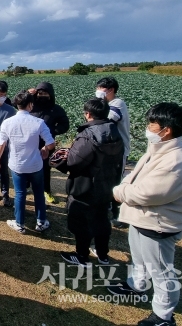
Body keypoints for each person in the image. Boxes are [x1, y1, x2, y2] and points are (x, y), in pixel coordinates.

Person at [108, 103, 182, 326]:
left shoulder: (177, 160)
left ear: (166, 130)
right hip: (141, 218)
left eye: (152, 124)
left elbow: (148, 193)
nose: (148, 128)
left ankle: (163, 316)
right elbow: (134, 176)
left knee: (161, 271)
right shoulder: (158, 148)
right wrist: (124, 187)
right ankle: (136, 286)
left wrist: (119, 192)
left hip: (157, 223)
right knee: (139, 259)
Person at [52, 98, 123, 265]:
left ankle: (82, 255)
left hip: (86, 185)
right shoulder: (114, 130)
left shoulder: (88, 135)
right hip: (107, 183)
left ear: (88, 114)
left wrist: (62, 158)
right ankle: (103, 254)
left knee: (81, 221)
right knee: (102, 218)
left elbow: (74, 162)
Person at [0, 91, 55, 233]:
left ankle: (20, 223)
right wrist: (45, 148)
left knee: (20, 193)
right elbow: (51, 143)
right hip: (36, 164)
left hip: (17, 165)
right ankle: (41, 222)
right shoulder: (39, 122)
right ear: (30, 105)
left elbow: (1, 144)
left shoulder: (7, 123)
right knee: (39, 193)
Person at [95, 76, 131, 228]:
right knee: (106, 178)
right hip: (108, 150)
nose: (98, 91)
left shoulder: (117, 104)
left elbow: (107, 121)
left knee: (117, 180)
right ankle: (110, 205)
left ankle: (120, 216)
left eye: (101, 89)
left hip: (118, 150)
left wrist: (98, 104)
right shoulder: (108, 103)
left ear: (111, 90)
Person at [29, 82, 70, 204]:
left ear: (50, 95)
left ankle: (46, 190)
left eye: (45, 93)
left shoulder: (56, 109)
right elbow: (16, 103)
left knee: (45, 169)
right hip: (29, 143)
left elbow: (65, 125)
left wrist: (51, 131)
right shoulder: (30, 106)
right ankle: (26, 187)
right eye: (40, 93)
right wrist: (26, 93)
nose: (42, 95)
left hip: (46, 144)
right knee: (27, 166)